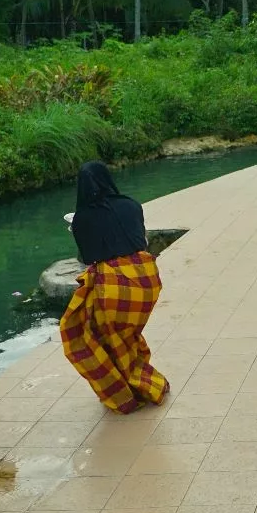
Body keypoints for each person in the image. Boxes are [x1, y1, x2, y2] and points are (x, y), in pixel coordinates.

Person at [61, 162, 170, 414]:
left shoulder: (82, 219)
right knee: (128, 337)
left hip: (113, 287)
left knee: (85, 335)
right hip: (146, 278)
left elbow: (88, 258)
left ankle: (127, 394)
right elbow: (140, 241)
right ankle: (143, 380)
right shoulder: (131, 205)